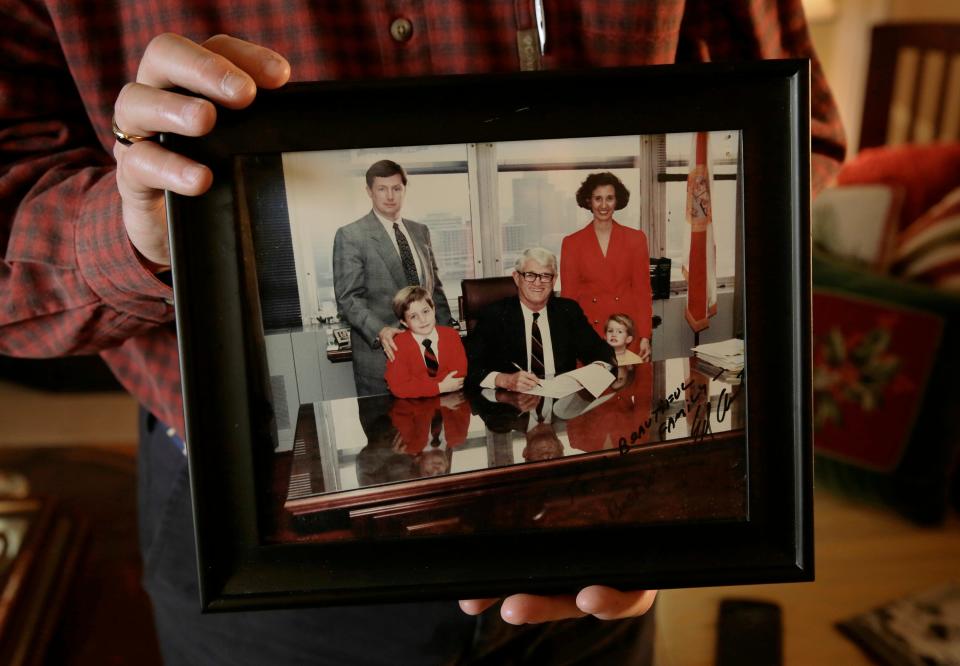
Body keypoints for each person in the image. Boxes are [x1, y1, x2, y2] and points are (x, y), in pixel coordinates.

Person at [0, 2, 845, 664]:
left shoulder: (503, 283)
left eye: (404, 191)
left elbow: (797, 134)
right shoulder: (350, 238)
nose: (537, 287)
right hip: (265, 528)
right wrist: (143, 237)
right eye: (529, 278)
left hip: (592, 530)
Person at [334, 161, 454, 397]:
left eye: (396, 188)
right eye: (382, 189)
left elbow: (434, 290)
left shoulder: (420, 231)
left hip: (429, 355)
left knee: (434, 427)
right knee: (388, 431)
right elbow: (348, 299)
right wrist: (381, 331)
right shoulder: (351, 235)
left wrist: (449, 338)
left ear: (404, 190)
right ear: (369, 191)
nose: (390, 196)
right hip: (382, 356)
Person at [466, 247, 616, 392]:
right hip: (512, 405)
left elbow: (600, 351)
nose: (538, 283)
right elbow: (470, 366)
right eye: (530, 275)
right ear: (517, 278)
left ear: (554, 279)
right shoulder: (495, 315)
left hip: (560, 405)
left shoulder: (568, 311)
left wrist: (599, 368)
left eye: (545, 276)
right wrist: (504, 380)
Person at [561, 171, 653, 361]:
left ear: (617, 201)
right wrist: (570, 339)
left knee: (630, 387)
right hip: (590, 333)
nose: (603, 205)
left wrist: (645, 335)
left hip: (626, 331)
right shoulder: (572, 243)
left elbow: (642, 291)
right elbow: (568, 299)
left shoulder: (636, 239)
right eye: (598, 199)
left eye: (609, 198)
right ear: (588, 201)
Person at [385, 286, 466, 399]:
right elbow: (399, 387)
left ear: (433, 309)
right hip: (415, 408)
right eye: (413, 316)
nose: (422, 320)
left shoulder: (451, 335)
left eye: (425, 311)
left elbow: (459, 374)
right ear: (404, 322)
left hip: (452, 400)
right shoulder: (398, 344)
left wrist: (418, 385)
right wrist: (439, 387)